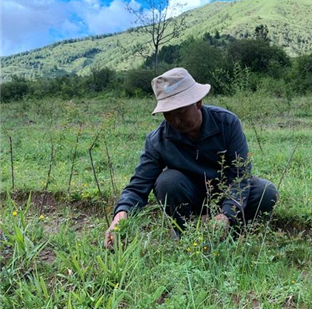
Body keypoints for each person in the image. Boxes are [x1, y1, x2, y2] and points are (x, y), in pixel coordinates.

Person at [104, 68, 278, 248]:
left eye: (181, 112)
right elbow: (138, 185)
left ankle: (233, 236)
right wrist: (120, 217)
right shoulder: (158, 140)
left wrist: (227, 214)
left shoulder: (227, 123)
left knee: (266, 192)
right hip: (189, 195)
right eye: (169, 114)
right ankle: (183, 236)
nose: (176, 121)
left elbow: (240, 175)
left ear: (198, 103)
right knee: (167, 181)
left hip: (225, 193)